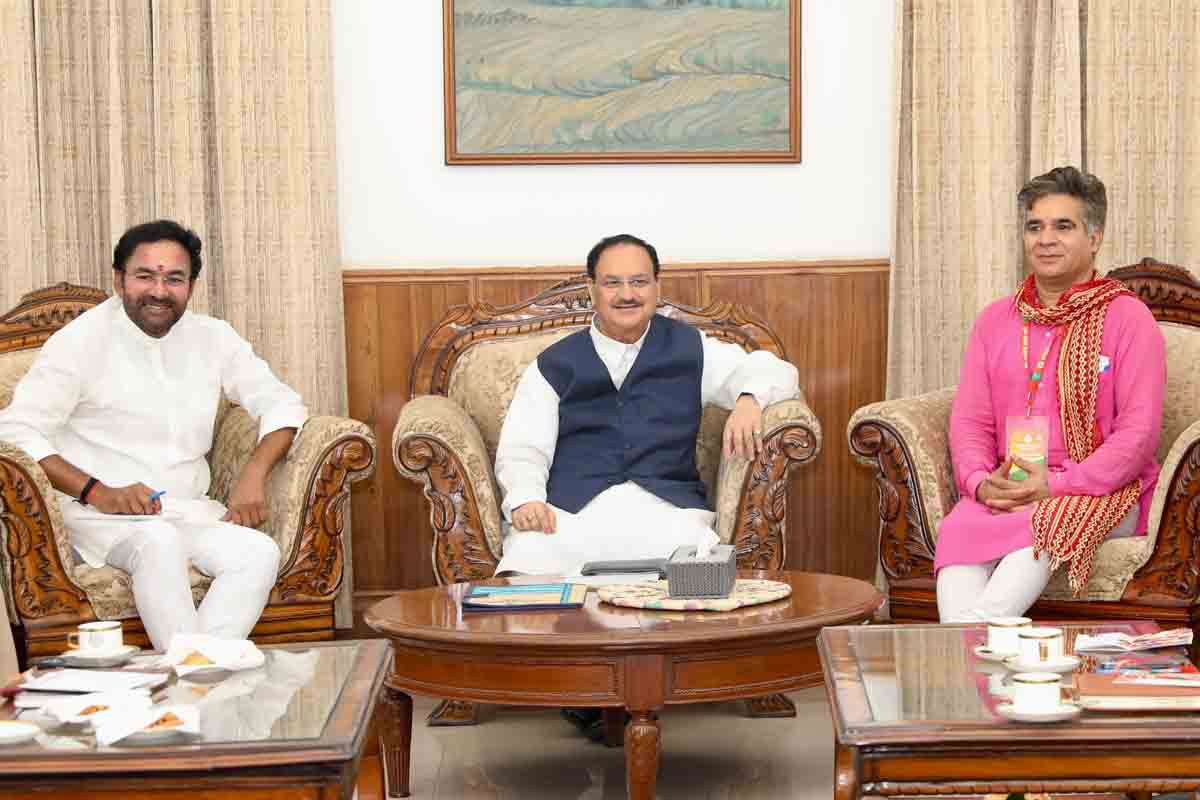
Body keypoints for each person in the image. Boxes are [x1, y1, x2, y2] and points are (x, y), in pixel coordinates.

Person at [0, 219, 307, 649]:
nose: (159, 291)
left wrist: (254, 474)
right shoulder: (82, 341)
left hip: (187, 509)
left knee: (258, 553)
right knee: (158, 542)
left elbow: (283, 403)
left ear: (191, 285)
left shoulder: (213, 337)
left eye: (174, 278)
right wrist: (98, 491)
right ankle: (201, 688)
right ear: (119, 279)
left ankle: (190, 684)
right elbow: (15, 429)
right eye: (145, 276)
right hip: (101, 517)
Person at [493, 233, 799, 577]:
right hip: (573, 515)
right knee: (530, 560)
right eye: (613, 283)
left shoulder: (690, 347)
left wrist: (748, 400)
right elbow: (523, 445)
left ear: (656, 286)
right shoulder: (554, 363)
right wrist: (525, 498)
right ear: (592, 289)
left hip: (666, 511)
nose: (627, 294)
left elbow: (774, 369)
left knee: (696, 570)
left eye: (639, 282)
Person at [935, 167, 1165, 622]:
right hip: (1007, 488)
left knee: (1018, 567)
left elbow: (1137, 436)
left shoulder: (1128, 319)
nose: (1046, 239)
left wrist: (1057, 484)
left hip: (1096, 492)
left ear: (1094, 237)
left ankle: (967, 676)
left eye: (1064, 226)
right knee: (959, 553)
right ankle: (974, 677)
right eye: (1035, 226)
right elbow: (970, 422)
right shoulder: (995, 320)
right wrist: (981, 482)